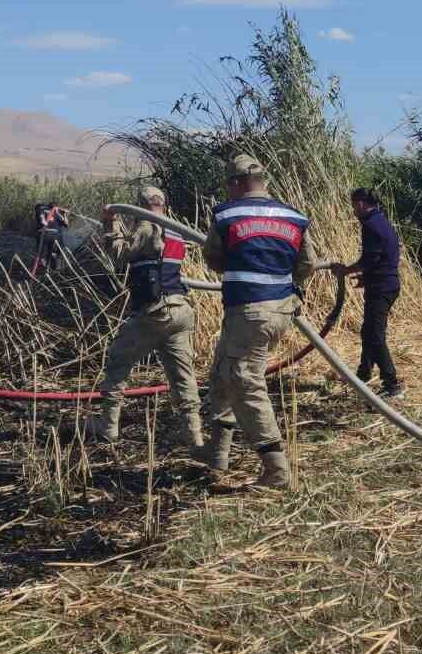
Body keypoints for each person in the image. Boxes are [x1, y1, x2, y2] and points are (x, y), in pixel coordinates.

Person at [196, 154, 317, 488]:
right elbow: (306, 265)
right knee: (222, 371)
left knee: (244, 380)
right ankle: (218, 453)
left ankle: (276, 468)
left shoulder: (226, 214)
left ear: (236, 183)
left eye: (228, 185)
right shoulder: (294, 216)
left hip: (249, 311)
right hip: (280, 309)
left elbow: (214, 259)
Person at [87, 186, 203, 449]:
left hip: (154, 312)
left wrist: (111, 222)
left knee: (118, 358)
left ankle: (108, 425)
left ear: (139, 206)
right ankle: (193, 433)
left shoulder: (148, 227)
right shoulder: (175, 229)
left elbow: (119, 255)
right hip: (180, 311)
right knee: (183, 374)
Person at [338, 188, 405, 399]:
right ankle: (363, 375)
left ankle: (392, 384)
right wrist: (366, 278)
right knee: (369, 332)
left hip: (382, 288)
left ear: (360, 203)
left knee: (375, 336)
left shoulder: (370, 225)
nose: (353, 209)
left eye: (353, 204)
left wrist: (345, 270)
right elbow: (383, 257)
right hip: (386, 283)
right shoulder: (382, 221)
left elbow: (369, 259)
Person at [37, 201, 71, 270]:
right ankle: (47, 267)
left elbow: (66, 224)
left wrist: (64, 214)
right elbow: (43, 220)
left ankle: (51, 268)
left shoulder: (57, 214)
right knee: (47, 254)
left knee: (54, 254)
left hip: (56, 237)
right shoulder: (47, 212)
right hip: (50, 235)